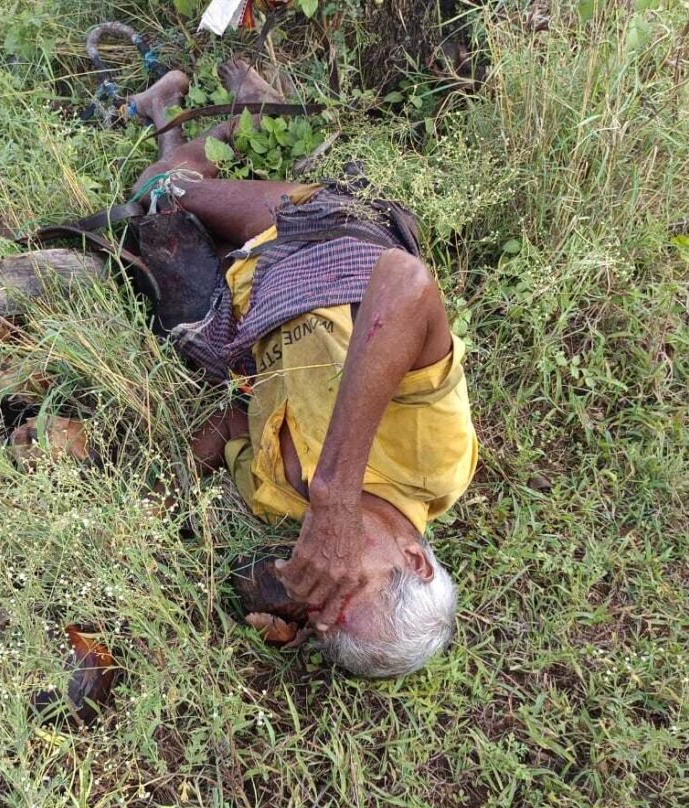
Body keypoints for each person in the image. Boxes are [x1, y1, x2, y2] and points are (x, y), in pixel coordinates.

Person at [127, 59, 478, 677]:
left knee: (145, 204)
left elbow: (234, 420)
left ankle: (164, 107)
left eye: (321, 609)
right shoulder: (433, 462)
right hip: (314, 244)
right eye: (351, 589)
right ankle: (244, 115)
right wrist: (335, 496)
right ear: (414, 559)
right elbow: (404, 282)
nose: (322, 582)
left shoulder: (282, 508)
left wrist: (158, 498)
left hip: (241, 302)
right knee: (167, 190)